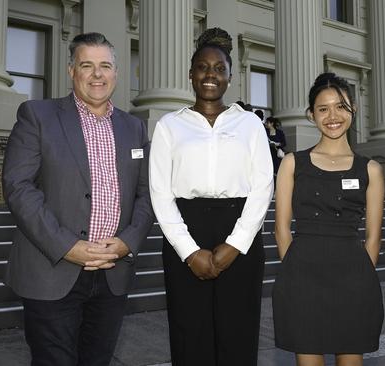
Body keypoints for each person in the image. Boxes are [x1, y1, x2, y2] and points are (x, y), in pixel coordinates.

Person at [2, 32, 154, 365]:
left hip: (112, 272)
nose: (97, 74)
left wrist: (127, 241)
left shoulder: (135, 129)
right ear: (72, 71)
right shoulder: (37, 116)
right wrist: (68, 246)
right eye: (87, 65)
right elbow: (18, 186)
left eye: (105, 66)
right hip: (52, 270)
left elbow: (147, 193)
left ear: (116, 73)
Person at [149, 27, 273, 366]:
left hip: (241, 233)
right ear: (191, 74)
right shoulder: (169, 126)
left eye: (219, 69)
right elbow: (159, 192)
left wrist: (236, 244)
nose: (210, 75)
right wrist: (189, 252)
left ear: (230, 77)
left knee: (239, 333)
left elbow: (263, 186)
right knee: (190, 334)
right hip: (185, 233)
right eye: (203, 67)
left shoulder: (250, 124)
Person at [272, 72, 385, 366]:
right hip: (303, 281)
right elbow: (281, 229)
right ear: (311, 115)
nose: (332, 116)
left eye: (340, 106)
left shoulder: (370, 169)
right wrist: (295, 273)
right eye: (323, 109)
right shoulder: (292, 163)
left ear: (353, 110)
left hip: (353, 283)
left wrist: (359, 277)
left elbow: (373, 236)